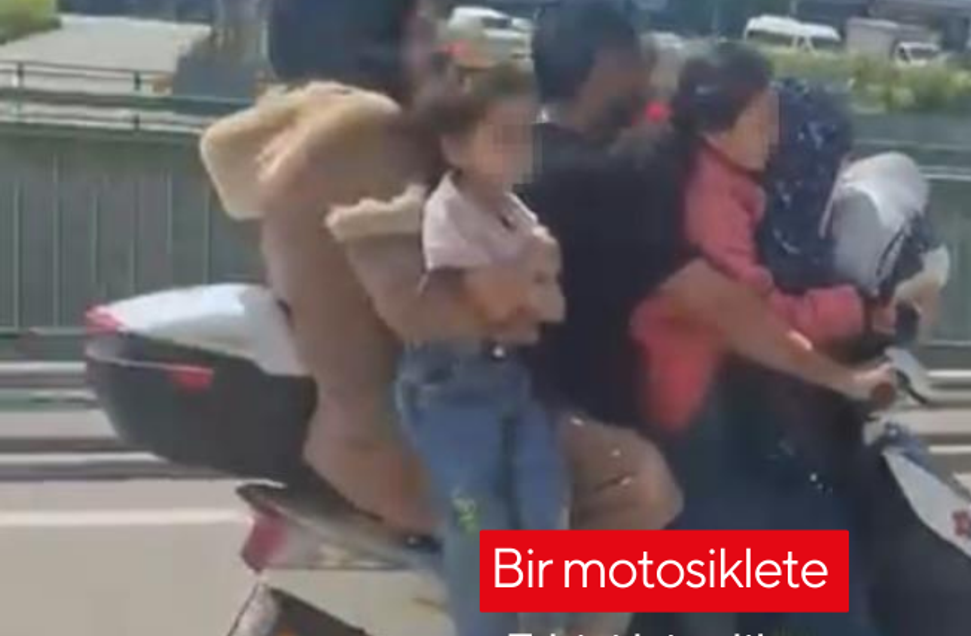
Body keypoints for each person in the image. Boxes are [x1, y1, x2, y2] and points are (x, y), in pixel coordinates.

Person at [521, 5, 905, 636]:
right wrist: (843, 375)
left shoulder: (530, 160)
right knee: (816, 558)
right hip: (622, 443)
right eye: (638, 58)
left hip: (568, 426)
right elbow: (728, 308)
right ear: (605, 66)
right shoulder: (601, 181)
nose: (649, 74)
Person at [198, 0, 680, 540]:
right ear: (366, 41)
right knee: (635, 481)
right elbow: (421, 304)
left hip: (399, 416)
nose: (441, 49)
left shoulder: (306, 131)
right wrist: (518, 285)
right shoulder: (366, 134)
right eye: (423, 31)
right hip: (411, 437)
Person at [625, 43, 916, 636]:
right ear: (715, 126)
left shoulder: (732, 190)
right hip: (691, 403)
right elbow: (756, 315)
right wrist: (852, 313)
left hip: (702, 400)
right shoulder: (712, 201)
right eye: (761, 121)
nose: (775, 137)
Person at [387, 64, 571, 636]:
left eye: (527, 135)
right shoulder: (449, 212)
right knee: (477, 522)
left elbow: (550, 308)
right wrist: (529, 268)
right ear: (456, 146)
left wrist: (523, 285)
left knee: (547, 508)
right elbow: (493, 299)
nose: (520, 150)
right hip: (450, 392)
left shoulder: (517, 215)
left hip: (508, 382)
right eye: (503, 136)